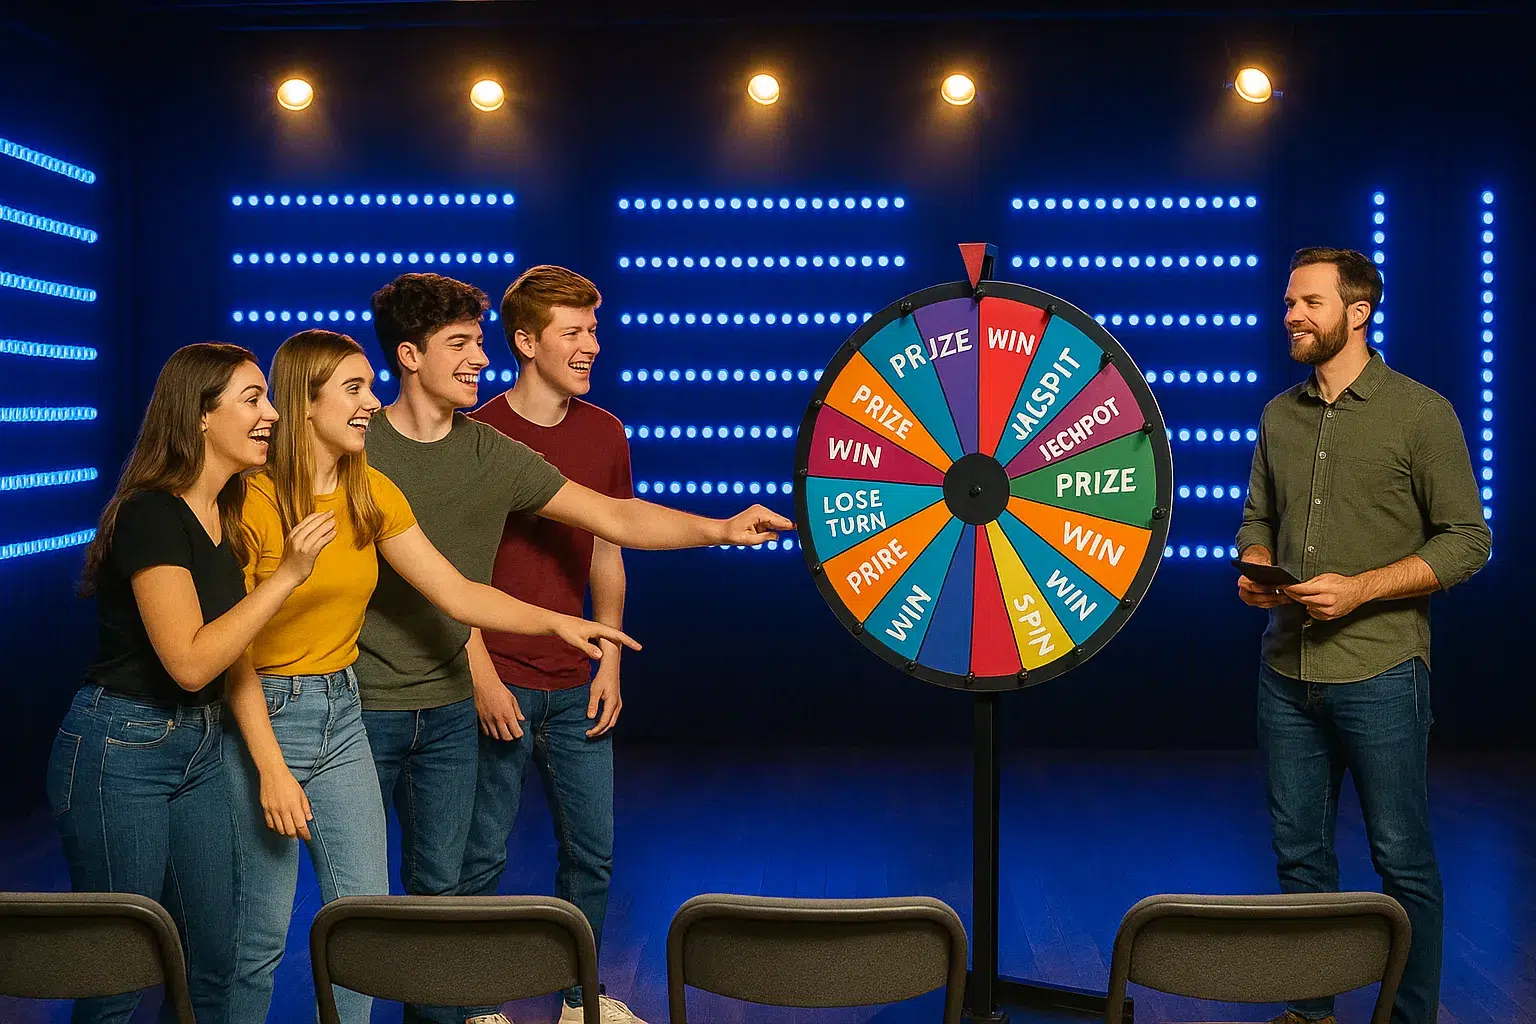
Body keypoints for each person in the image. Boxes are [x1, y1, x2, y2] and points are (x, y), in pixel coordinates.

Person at [357, 271, 792, 1024]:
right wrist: (488, 666)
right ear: (409, 355)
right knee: (403, 887)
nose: (477, 359)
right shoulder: (360, 447)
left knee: (465, 875)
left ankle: (539, 1000)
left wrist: (719, 528)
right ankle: (460, 1005)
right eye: (459, 344)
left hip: (481, 699)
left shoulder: (490, 450)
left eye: (476, 344)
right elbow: (445, 593)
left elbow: (609, 521)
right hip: (382, 702)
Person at [223, 329, 639, 1024]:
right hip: (268, 711)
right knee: (259, 935)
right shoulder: (252, 501)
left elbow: (455, 591)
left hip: (341, 706)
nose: (369, 404)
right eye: (353, 390)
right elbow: (231, 649)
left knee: (364, 919)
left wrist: (558, 621)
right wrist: (269, 764)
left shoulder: (369, 490)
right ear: (305, 403)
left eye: (367, 387)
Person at [1235, 248, 1491, 1024]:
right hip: (1285, 673)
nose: (1291, 317)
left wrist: (1361, 590)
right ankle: (1311, 1012)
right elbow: (1257, 517)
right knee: (1300, 861)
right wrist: (1256, 565)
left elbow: (1468, 540)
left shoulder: (1422, 413)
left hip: (1382, 673)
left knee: (1402, 863)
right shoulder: (1280, 414)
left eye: (1309, 303)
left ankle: (1409, 1018)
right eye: (1287, 303)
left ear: (1358, 312)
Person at [46, 343, 335, 1024]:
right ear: (200, 417)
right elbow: (191, 662)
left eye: (267, 398)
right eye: (252, 398)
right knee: (121, 973)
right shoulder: (151, 513)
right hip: (121, 749)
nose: (270, 414)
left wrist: (270, 766)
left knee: (215, 961)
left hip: (200, 750)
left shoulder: (223, 517)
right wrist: (289, 575)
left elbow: (233, 659)